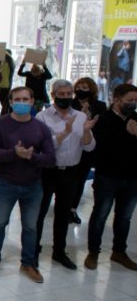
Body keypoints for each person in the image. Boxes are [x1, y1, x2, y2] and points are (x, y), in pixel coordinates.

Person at [0, 86, 56, 283]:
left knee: (30, 227)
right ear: (11, 102)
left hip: (33, 185)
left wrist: (32, 156)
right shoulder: (0, 124)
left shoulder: (41, 128)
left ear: (32, 102)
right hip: (6, 183)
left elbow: (50, 159)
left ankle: (28, 263)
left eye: (25, 99)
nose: (21, 103)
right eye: (17, 99)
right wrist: (13, 153)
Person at [34, 80, 96, 270]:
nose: (66, 97)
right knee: (40, 213)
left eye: (69, 94)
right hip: (48, 171)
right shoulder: (42, 117)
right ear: (53, 96)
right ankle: (33, 250)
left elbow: (89, 146)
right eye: (62, 94)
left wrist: (86, 132)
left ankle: (59, 252)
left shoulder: (80, 116)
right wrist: (65, 132)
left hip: (71, 172)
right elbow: (42, 146)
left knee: (63, 214)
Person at [85, 83, 137, 271]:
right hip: (107, 176)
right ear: (117, 100)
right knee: (100, 215)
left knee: (124, 217)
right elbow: (102, 149)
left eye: (136, 101)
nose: (133, 104)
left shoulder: (135, 118)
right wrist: (127, 134)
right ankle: (93, 252)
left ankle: (119, 251)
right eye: (129, 100)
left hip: (132, 177)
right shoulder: (104, 119)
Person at [69, 77, 108, 224]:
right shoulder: (70, 103)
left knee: (80, 179)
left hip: (88, 148)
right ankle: (64, 205)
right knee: (69, 179)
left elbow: (101, 127)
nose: (81, 89)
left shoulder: (99, 105)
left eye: (85, 87)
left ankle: (73, 209)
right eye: (79, 86)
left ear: (91, 89)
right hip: (71, 146)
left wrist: (89, 117)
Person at [0, 50, 16, 114]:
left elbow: (9, 58)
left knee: (5, 105)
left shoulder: (11, 63)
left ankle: (5, 116)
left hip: (5, 87)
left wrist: (3, 51)